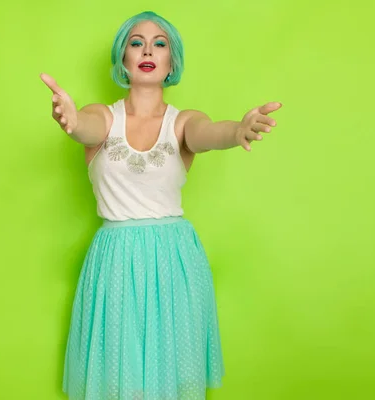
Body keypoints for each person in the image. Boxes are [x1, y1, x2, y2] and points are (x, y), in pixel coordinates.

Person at [40, 10, 281, 400]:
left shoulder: (183, 122)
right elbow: (85, 127)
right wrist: (68, 118)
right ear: (123, 59)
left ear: (172, 62)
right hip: (115, 260)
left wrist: (237, 130)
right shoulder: (103, 117)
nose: (147, 50)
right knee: (121, 375)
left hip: (174, 261)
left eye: (159, 43)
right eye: (136, 42)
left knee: (169, 378)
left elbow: (210, 134)